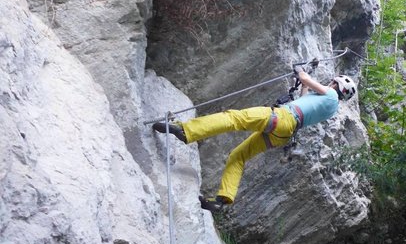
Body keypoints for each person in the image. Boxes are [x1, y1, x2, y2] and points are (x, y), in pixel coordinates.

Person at [152, 67, 357, 213]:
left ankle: (185, 130)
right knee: (238, 156)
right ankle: (222, 199)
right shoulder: (330, 109)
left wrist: (302, 71)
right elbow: (303, 98)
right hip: (284, 133)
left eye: (333, 82)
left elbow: (306, 78)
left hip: (282, 118)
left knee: (233, 118)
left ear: (336, 84)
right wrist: (302, 82)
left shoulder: (330, 95)